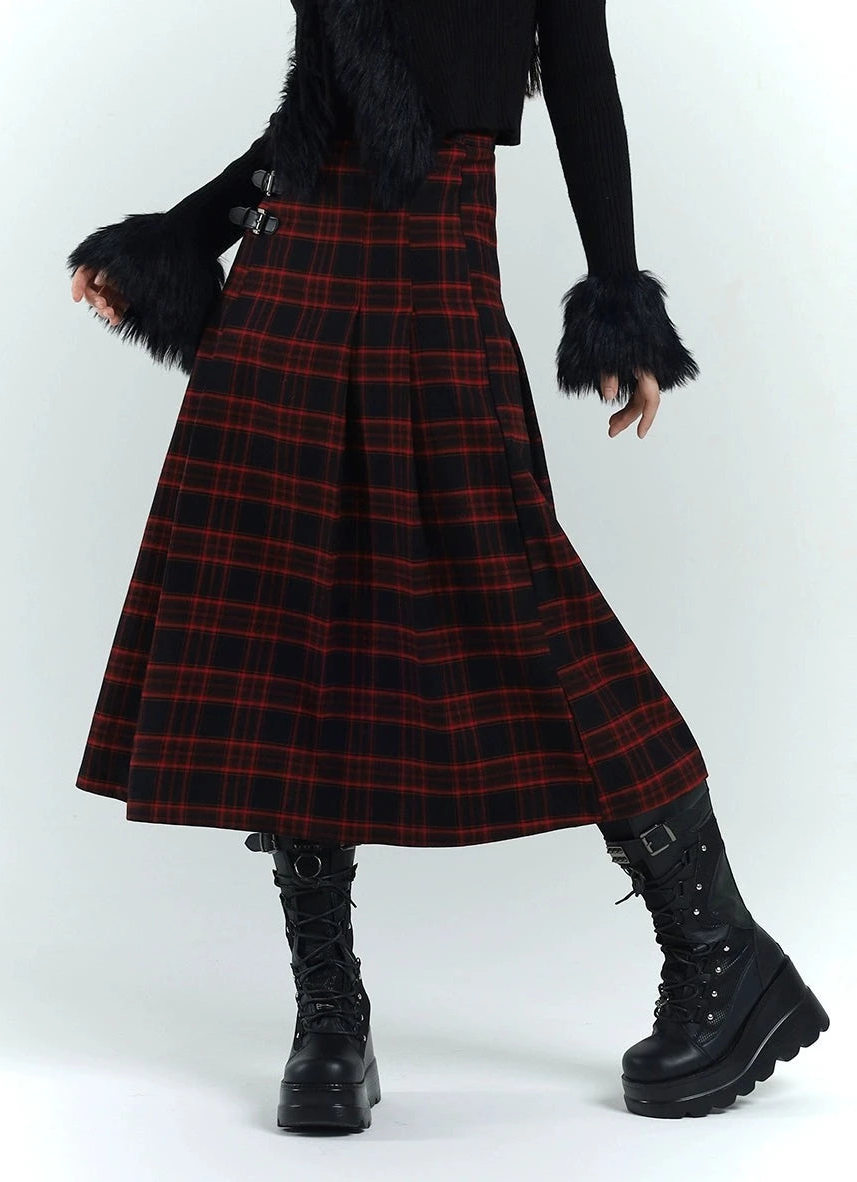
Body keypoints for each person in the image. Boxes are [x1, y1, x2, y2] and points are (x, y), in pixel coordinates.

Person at [66, 1, 828, 1132]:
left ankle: (721, 948)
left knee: (529, 600)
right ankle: (330, 1015)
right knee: (292, 616)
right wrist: (179, 236)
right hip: (289, 271)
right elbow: (315, 115)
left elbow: (582, 78)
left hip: (432, 256)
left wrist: (618, 298)